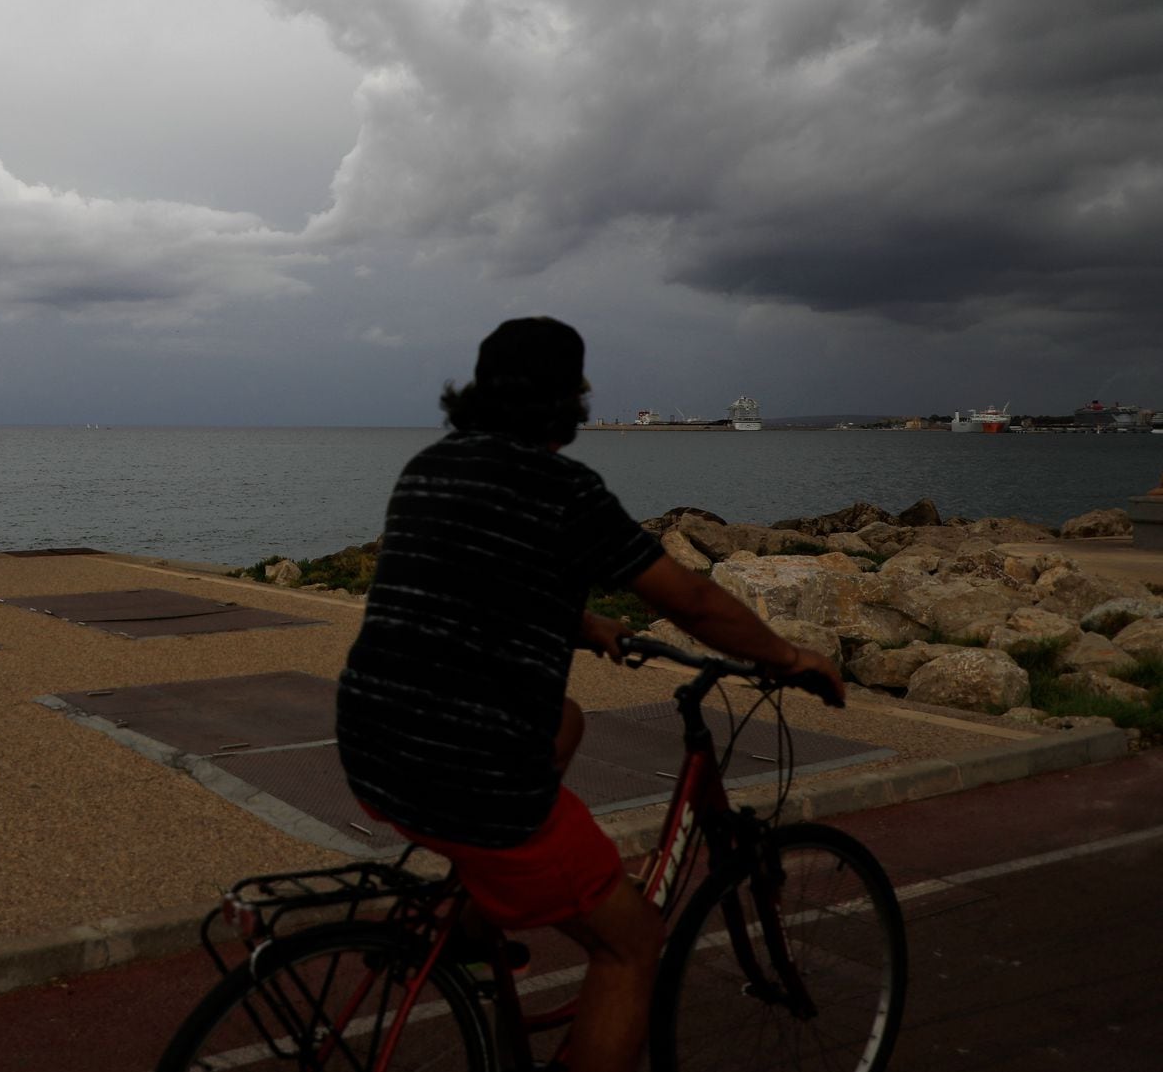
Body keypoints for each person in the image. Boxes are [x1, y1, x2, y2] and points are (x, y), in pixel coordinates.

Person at [335, 317, 845, 1072]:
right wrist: (789, 653)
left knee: (564, 720)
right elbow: (694, 603)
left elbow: (475, 580)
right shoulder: (566, 492)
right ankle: (494, 908)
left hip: (373, 746)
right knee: (632, 940)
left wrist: (582, 623)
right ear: (567, 399)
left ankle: (471, 927)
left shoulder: (430, 467)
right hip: (474, 776)